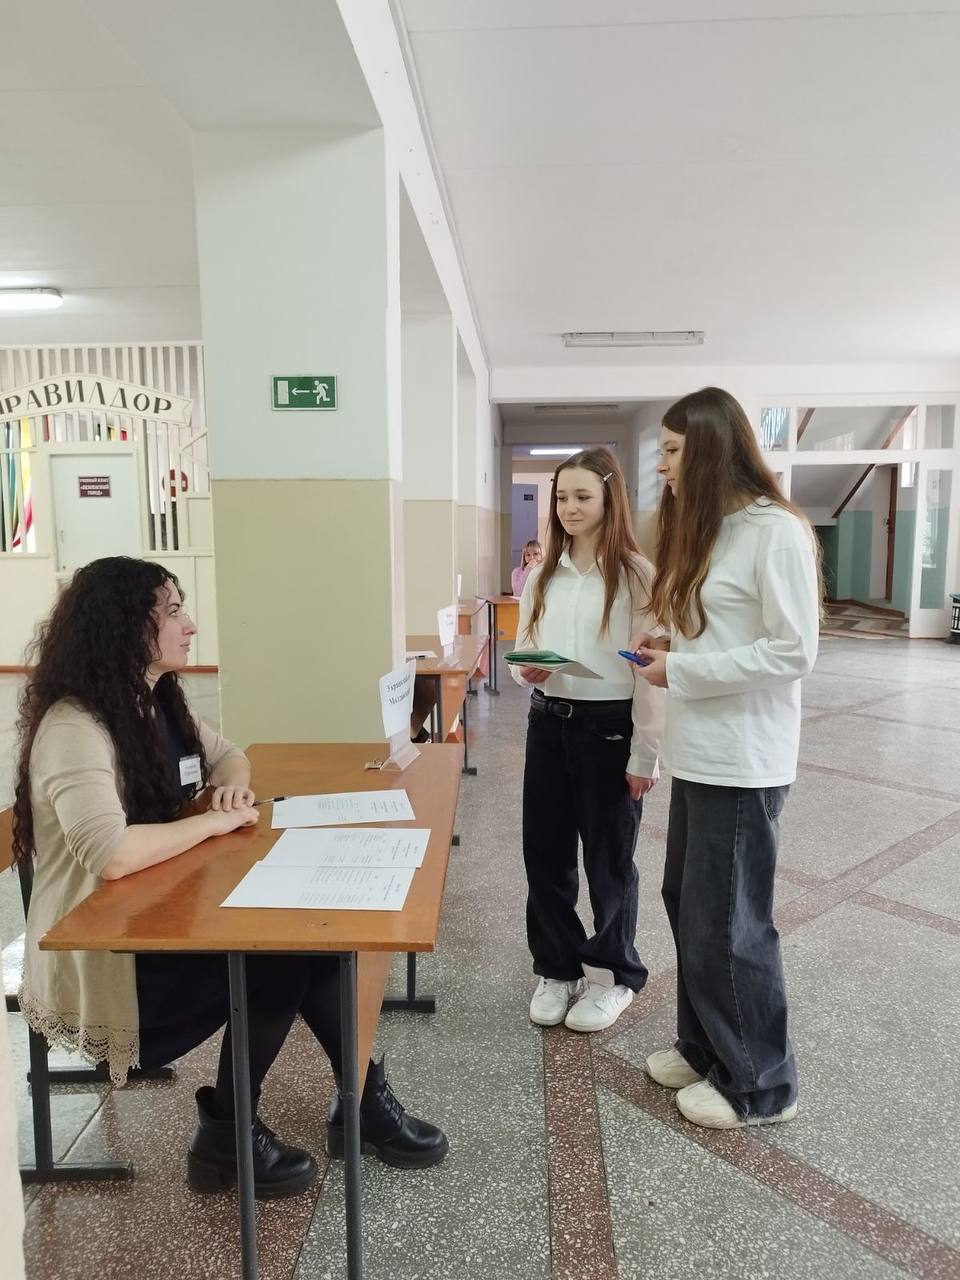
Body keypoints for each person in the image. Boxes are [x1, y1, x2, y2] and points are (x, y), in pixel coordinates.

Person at [12, 556, 447, 1200]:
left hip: (158, 912)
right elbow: (112, 855)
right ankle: (239, 1130)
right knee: (278, 960)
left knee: (311, 942)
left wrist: (230, 793)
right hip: (106, 959)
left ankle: (350, 1100)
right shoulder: (76, 726)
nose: (190, 625)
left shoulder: (153, 700)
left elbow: (231, 756)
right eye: (173, 612)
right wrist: (214, 825)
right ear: (123, 627)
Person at [630, 387, 820, 1130]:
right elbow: (721, 634)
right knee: (690, 906)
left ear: (711, 448)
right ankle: (708, 1047)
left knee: (732, 924)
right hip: (701, 753)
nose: (664, 467)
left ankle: (762, 1083)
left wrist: (682, 670)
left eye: (673, 452)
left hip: (745, 759)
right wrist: (670, 646)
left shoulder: (776, 531)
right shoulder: (716, 529)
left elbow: (793, 650)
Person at [512, 448, 664, 1033]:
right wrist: (526, 669)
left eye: (582, 497)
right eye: (561, 497)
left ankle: (612, 976)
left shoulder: (636, 575)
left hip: (610, 728)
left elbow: (649, 672)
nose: (569, 508)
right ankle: (556, 967)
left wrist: (645, 753)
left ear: (609, 499)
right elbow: (523, 644)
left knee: (609, 861)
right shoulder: (544, 572)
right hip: (547, 721)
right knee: (545, 854)